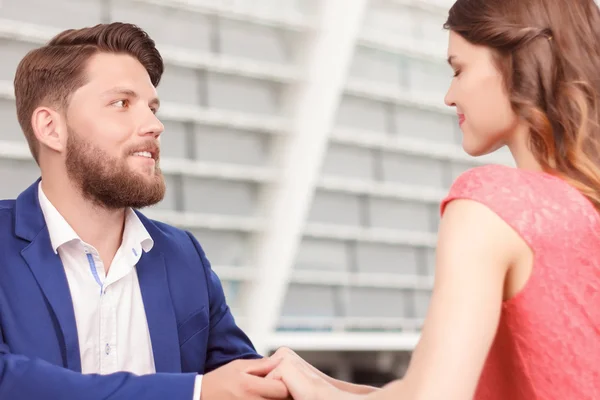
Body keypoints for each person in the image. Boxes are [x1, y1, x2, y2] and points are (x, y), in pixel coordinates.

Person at [266, 0, 600, 399]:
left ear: (517, 62)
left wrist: (311, 391)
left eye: (459, 69)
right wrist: (322, 384)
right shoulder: (584, 207)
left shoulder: (493, 206)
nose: (449, 96)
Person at [0, 22, 294, 400]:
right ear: (51, 128)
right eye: (122, 103)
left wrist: (289, 379)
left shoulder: (183, 255)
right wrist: (193, 392)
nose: (154, 125)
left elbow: (237, 380)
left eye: (152, 108)